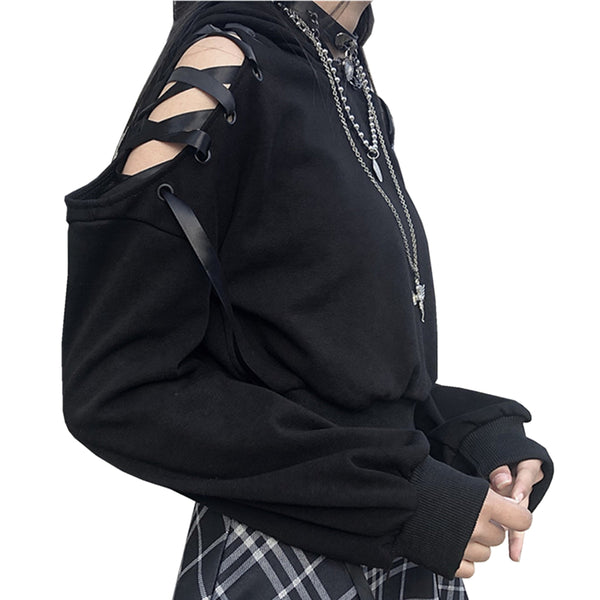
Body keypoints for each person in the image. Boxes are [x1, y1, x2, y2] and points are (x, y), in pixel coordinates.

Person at [61, 2, 554, 599]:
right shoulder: (222, 67)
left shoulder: (345, 86)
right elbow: (119, 389)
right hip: (288, 560)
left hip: (399, 551)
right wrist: (401, 496)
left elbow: (327, 368)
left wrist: (473, 437)